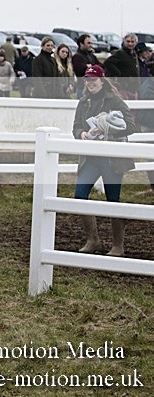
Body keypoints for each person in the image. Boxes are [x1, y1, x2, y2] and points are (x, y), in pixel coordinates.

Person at [72, 64, 136, 257]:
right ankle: (93, 239)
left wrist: (108, 127)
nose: (90, 83)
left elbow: (131, 126)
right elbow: (75, 127)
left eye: (93, 79)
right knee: (80, 195)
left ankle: (118, 245)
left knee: (112, 199)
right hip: (91, 157)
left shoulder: (115, 100)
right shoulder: (83, 102)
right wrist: (81, 133)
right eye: (87, 80)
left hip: (111, 159)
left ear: (102, 80)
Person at [103, 33, 140, 100]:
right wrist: (118, 74)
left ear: (136, 43)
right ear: (124, 42)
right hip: (123, 88)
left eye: (132, 42)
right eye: (128, 41)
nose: (130, 44)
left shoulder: (134, 54)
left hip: (133, 88)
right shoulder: (120, 53)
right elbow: (107, 62)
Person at [71, 34, 99, 98]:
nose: (91, 45)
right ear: (81, 44)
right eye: (88, 43)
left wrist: (91, 67)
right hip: (82, 88)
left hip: (93, 88)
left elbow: (100, 66)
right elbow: (82, 70)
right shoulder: (77, 57)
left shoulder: (91, 56)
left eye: (91, 43)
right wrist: (91, 67)